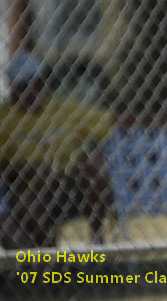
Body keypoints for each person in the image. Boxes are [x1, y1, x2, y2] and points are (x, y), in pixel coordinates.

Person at [0, 51, 113, 248]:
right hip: (27, 187)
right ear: (13, 89)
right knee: (26, 202)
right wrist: (26, 170)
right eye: (23, 86)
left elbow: (113, 119)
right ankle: (52, 257)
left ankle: (97, 238)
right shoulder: (5, 118)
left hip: (66, 181)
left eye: (35, 83)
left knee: (93, 163)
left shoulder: (61, 108)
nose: (31, 90)